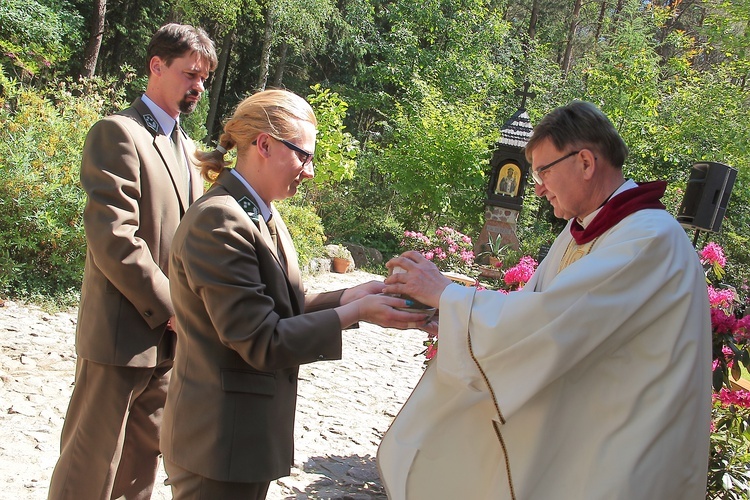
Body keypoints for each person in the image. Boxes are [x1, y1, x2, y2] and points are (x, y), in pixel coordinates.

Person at [378, 100, 712, 499]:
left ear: (585, 162)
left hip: (628, 449)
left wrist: (446, 294)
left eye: (543, 172)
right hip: (595, 433)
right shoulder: (584, 229)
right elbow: (535, 309)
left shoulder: (647, 238)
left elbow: (553, 324)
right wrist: (447, 315)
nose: (536, 187)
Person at [159, 89, 427, 499]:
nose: (311, 171)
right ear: (264, 144)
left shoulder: (260, 212)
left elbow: (281, 307)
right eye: (304, 155)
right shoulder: (220, 221)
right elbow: (261, 339)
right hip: (217, 440)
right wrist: (356, 312)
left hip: (242, 438)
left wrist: (352, 296)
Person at [48, 24, 218, 500]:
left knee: (138, 470)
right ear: (156, 66)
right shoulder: (116, 132)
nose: (198, 87)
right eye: (190, 74)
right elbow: (114, 238)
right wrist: (173, 309)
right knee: (91, 466)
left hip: (170, 346)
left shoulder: (188, 148)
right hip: (121, 335)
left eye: (204, 78)